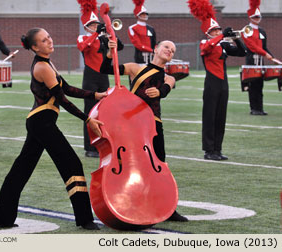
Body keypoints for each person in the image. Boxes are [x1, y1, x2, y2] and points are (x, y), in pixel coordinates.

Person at [0, 27, 106, 230]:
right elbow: (62, 99)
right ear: (35, 47)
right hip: (41, 123)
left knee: (21, 170)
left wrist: (95, 96)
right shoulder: (42, 67)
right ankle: (85, 220)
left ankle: (0, 218)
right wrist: (88, 119)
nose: (49, 41)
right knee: (71, 164)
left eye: (49, 36)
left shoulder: (47, 63)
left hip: (41, 122)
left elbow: (67, 88)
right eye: (44, 40)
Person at [100, 39, 188, 222]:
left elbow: (167, 87)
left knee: (160, 164)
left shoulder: (168, 77)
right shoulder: (136, 68)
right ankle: (128, 202)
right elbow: (105, 69)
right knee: (131, 164)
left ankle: (168, 209)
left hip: (154, 125)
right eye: (166, 47)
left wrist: (160, 91)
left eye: (172, 50)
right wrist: (110, 52)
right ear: (155, 49)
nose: (169, 51)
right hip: (132, 124)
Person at [188, 0, 247, 161]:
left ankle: (218, 149)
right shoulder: (205, 43)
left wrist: (235, 38)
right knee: (209, 115)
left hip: (223, 83)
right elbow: (205, 49)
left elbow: (242, 52)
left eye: (219, 29)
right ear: (208, 32)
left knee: (221, 116)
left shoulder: (223, 45)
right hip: (212, 83)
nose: (218, 31)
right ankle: (209, 150)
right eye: (215, 30)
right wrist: (221, 36)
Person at [77, 0, 124, 158]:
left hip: (104, 77)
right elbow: (83, 48)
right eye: (92, 24)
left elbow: (120, 46)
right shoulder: (82, 37)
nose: (95, 26)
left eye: (96, 24)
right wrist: (97, 33)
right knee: (90, 113)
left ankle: (103, 143)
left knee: (103, 112)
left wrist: (110, 31)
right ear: (86, 27)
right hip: (90, 78)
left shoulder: (103, 38)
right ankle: (89, 147)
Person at [241, 0, 278, 116]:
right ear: (250, 17)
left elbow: (264, 47)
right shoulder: (247, 29)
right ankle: (254, 108)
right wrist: (265, 54)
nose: (257, 18)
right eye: (255, 17)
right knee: (252, 84)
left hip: (261, 60)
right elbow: (252, 46)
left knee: (260, 85)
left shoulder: (262, 30)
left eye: (258, 17)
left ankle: (260, 108)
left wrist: (272, 58)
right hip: (252, 60)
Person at [128, 0, 156, 64]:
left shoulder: (151, 28)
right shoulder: (133, 28)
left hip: (152, 56)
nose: (144, 15)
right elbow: (138, 44)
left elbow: (154, 42)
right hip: (140, 56)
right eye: (142, 14)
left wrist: (156, 50)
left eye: (145, 14)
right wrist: (151, 50)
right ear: (138, 15)